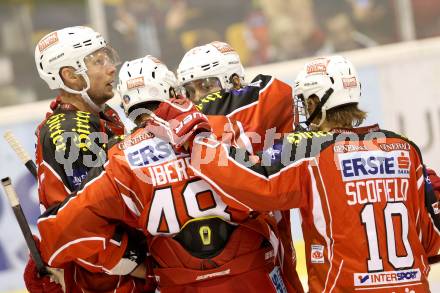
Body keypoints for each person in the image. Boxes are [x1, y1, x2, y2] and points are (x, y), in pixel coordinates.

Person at [156, 55, 440, 292]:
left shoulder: (310, 149)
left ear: (316, 103)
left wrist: (199, 141)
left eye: (305, 103)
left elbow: (252, 183)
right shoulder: (404, 148)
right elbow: (432, 242)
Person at [36, 55, 300, 292]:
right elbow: (274, 185)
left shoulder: (122, 157)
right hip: (253, 276)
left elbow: (60, 228)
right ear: (174, 91)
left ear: (127, 107)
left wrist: (126, 261)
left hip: (176, 282)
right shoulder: (227, 127)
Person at [27, 26, 150, 293]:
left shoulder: (98, 116)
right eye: (98, 61)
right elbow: (84, 226)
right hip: (110, 284)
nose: (111, 68)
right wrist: (149, 271)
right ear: (70, 76)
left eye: (107, 57)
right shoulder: (71, 133)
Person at [177, 40, 303, 291]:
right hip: (235, 244)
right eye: (190, 91)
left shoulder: (262, 98)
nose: (199, 98)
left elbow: (272, 93)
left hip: (259, 234)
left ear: (234, 80)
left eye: (205, 85)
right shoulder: (262, 99)